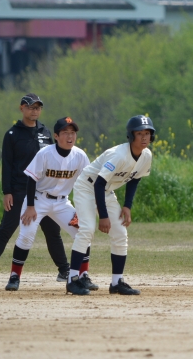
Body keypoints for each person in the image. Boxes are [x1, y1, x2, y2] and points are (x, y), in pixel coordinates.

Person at [0, 94, 70, 283]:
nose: (34, 111)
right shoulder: (12, 134)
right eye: (30, 107)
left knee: (53, 232)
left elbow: (54, 159)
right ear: (22, 108)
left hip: (42, 192)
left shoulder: (45, 132)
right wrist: (7, 192)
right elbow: (7, 165)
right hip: (20, 191)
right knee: (6, 229)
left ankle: (64, 271)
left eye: (38, 107)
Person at [65, 115, 155, 296]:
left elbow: (134, 179)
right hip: (87, 187)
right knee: (87, 229)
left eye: (147, 133)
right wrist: (104, 216)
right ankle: (72, 279)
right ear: (131, 135)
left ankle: (116, 282)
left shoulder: (146, 155)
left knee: (120, 232)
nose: (144, 137)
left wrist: (127, 206)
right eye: (139, 133)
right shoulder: (119, 155)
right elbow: (98, 184)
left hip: (105, 190)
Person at [4, 117, 94, 292]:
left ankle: (83, 276)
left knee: (83, 232)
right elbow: (31, 179)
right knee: (26, 236)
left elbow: (86, 183)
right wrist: (30, 207)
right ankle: (14, 276)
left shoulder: (80, 155)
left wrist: (83, 210)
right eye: (65, 133)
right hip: (38, 199)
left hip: (62, 202)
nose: (70, 136)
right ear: (56, 136)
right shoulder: (45, 153)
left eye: (73, 133)